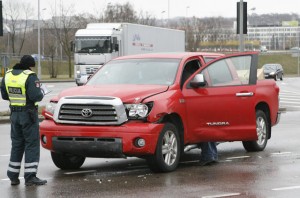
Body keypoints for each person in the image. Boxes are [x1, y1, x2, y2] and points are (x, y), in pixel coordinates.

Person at [0, 55, 47, 186]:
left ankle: (13, 176)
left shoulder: (8, 75)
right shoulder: (30, 76)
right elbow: (36, 96)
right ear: (30, 65)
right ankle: (30, 177)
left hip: (14, 114)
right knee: (31, 145)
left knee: (17, 145)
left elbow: (4, 95)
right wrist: (42, 92)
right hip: (28, 114)